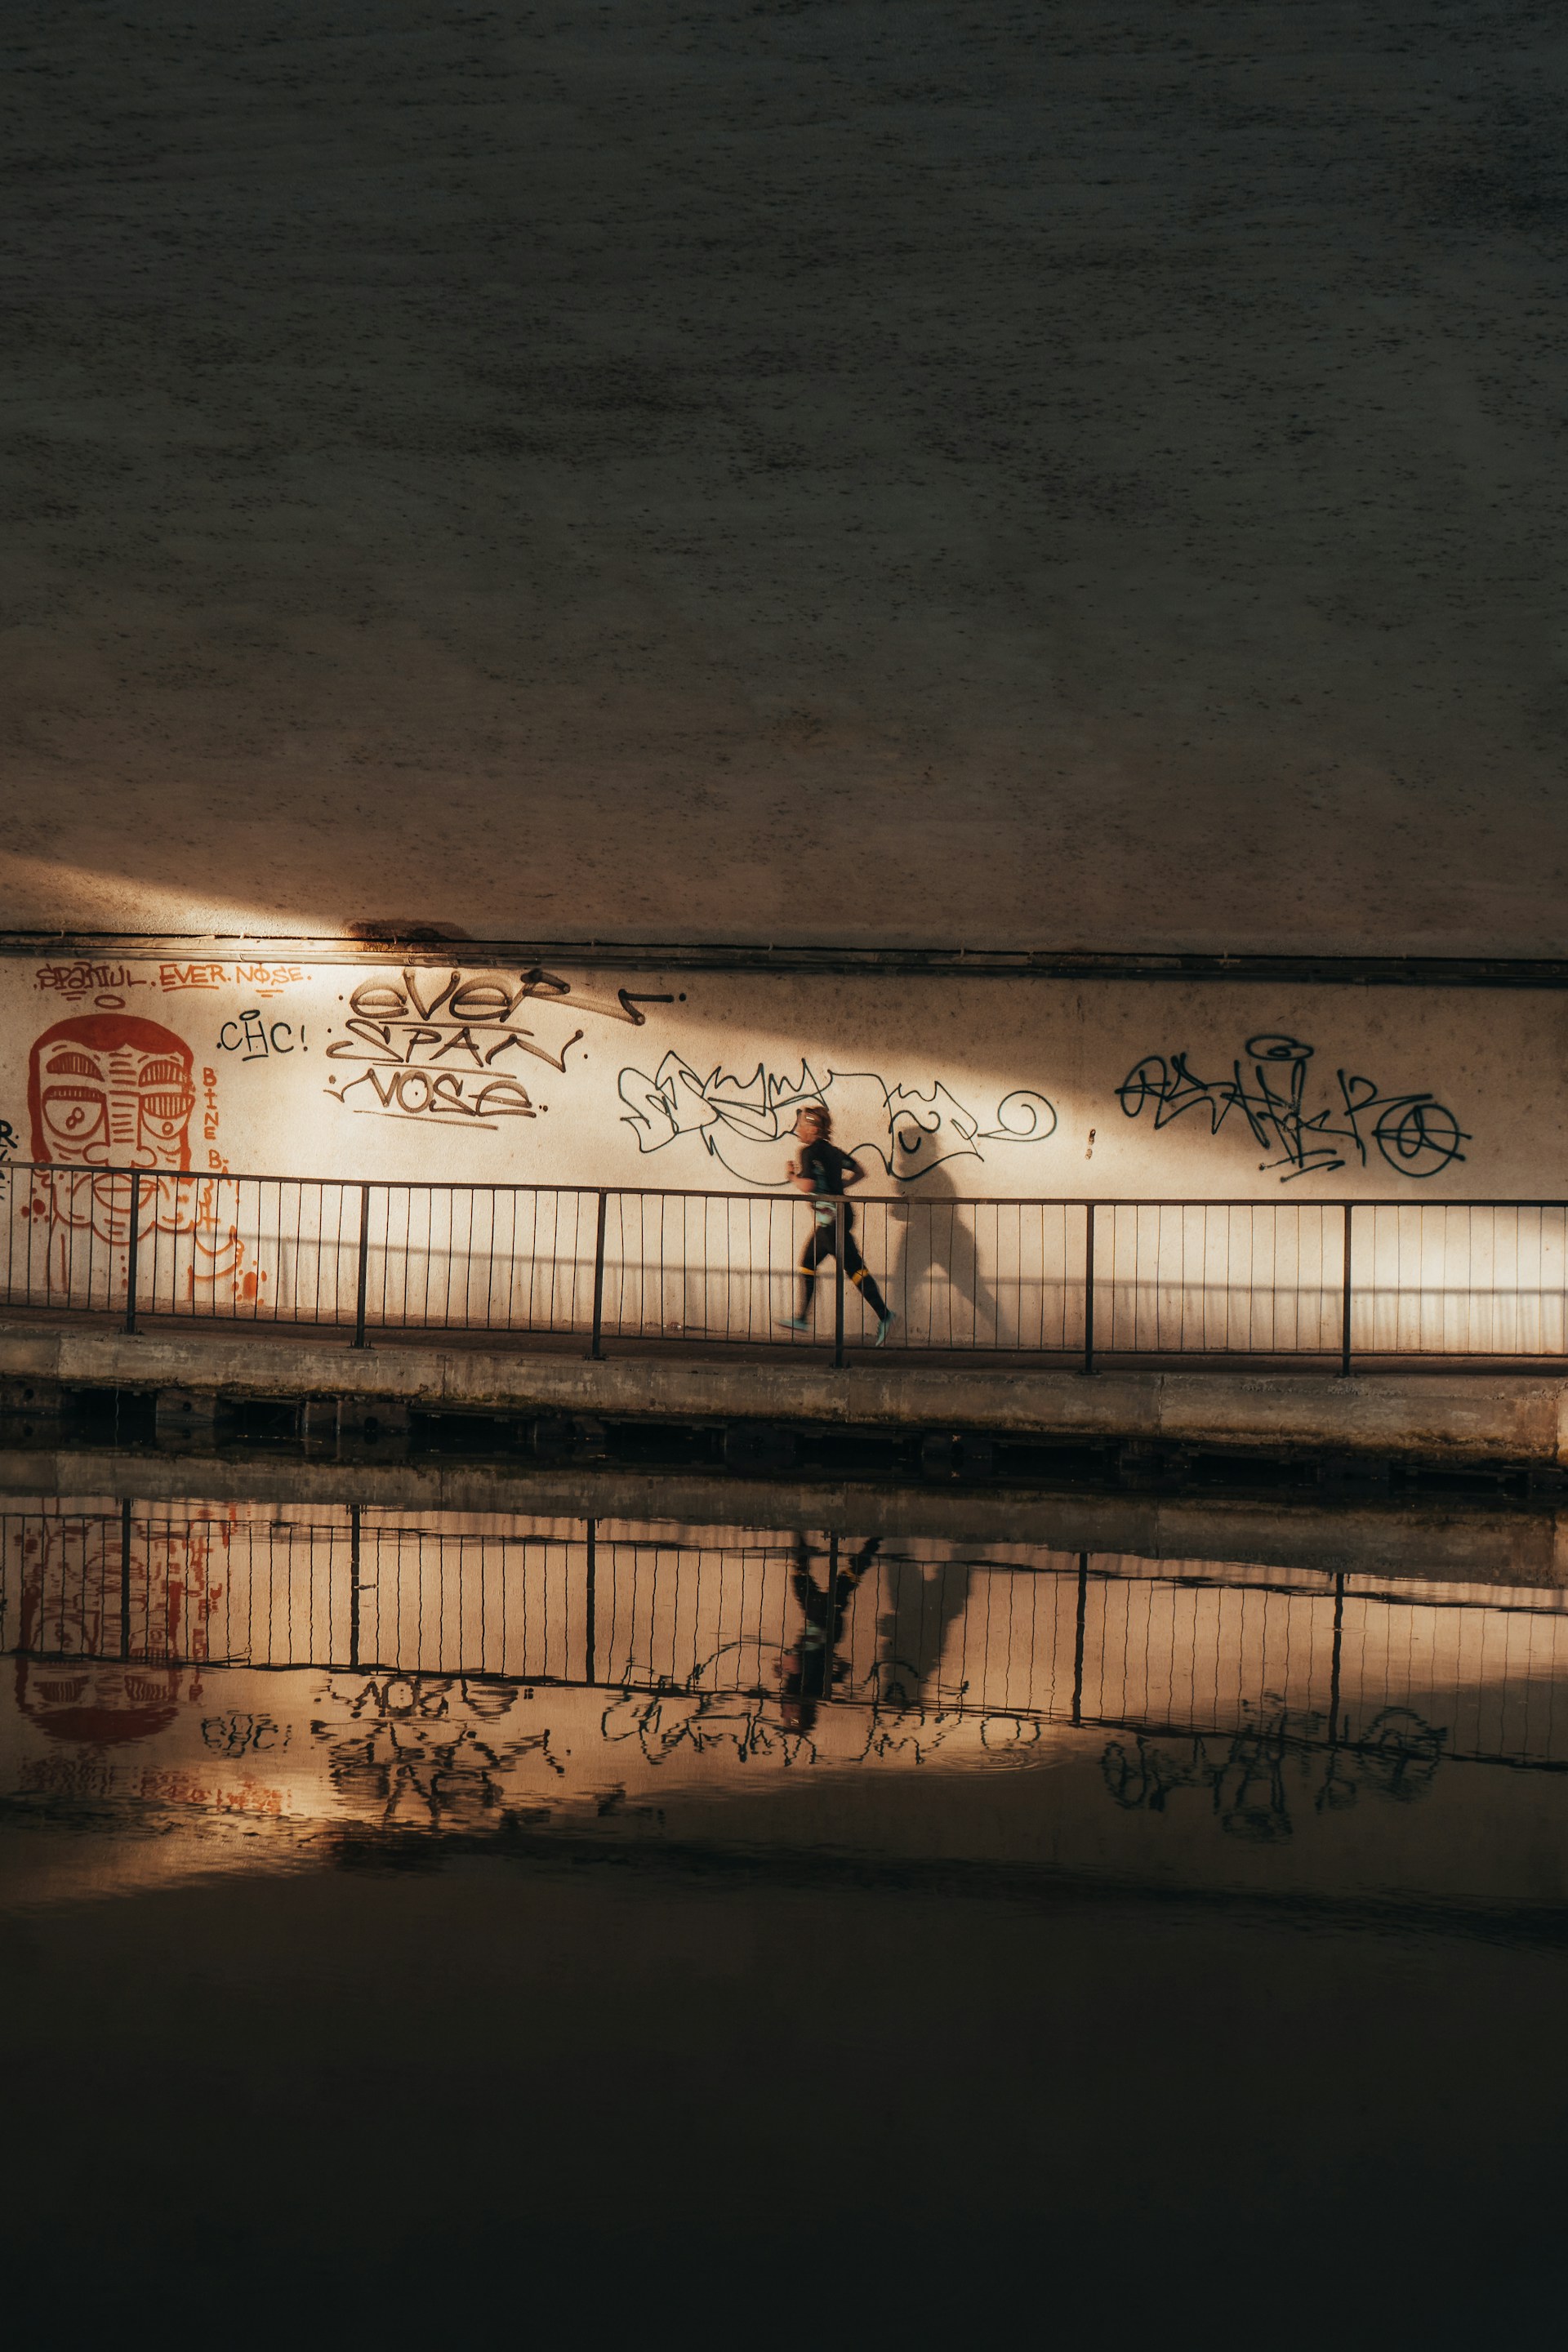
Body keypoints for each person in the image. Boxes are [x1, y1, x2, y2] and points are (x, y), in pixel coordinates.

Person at [777, 1103, 897, 1344]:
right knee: (809, 1262)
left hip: (831, 1221)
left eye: (801, 1124)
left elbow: (808, 1185)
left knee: (853, 1269)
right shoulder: (834, 1152)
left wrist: (791, 1176)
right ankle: (802, 1317)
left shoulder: (808, 1152)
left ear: (813, 1128)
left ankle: (885, 1315)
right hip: (836, 1217)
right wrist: (840, 1189)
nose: (798, 1129)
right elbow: (861, 1171)